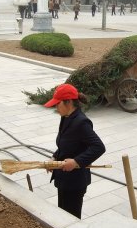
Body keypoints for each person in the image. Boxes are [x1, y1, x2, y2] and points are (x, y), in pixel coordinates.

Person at [44, 84, 106, 219]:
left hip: (74, 182)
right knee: (62, 215)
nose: (56, 108)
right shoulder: (66, 117)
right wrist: (54, 158)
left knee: (70, 218)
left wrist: (76, 162)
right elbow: (65, 144)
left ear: (69, 102)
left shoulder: (81, 122)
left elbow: (99, 147)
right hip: (64, 178)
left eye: (57, 104)